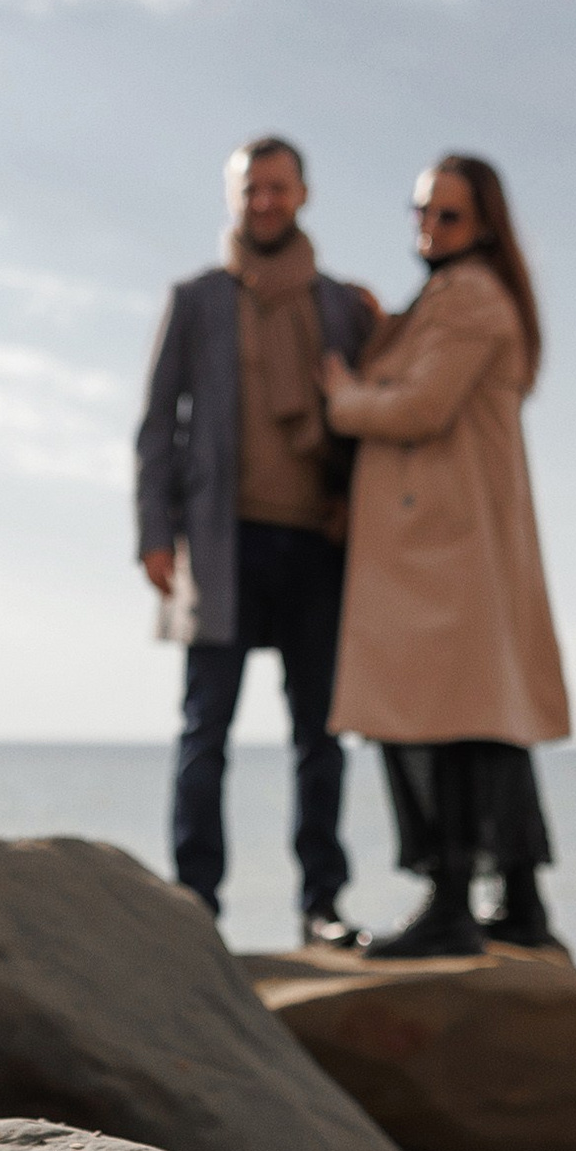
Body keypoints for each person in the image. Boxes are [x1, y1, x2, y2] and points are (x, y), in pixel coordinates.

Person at [318, 154, 570, 958]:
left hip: (443, 547)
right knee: (480, 722)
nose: (428, 228)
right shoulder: (453, 296)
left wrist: (341, 397)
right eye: (421, 212)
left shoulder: (470, 296)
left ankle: (452, 902)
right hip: (450, 542)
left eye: (447, 215)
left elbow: (421, 406)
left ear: (486, 223)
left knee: (435, 722)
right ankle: (518, 902)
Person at [136, 137, 378, 947]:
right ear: (233, 197)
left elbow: (372, 417)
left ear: (302, 194)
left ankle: (323, 905)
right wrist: (154, 533)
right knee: (206, 730)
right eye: (250, 190)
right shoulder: (196, 297)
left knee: (321, 736)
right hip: (219, 544)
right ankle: (195, 907)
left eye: (278, 189)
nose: (263, 203)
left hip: (318, 543)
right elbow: (155, 427)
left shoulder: (342, 304)